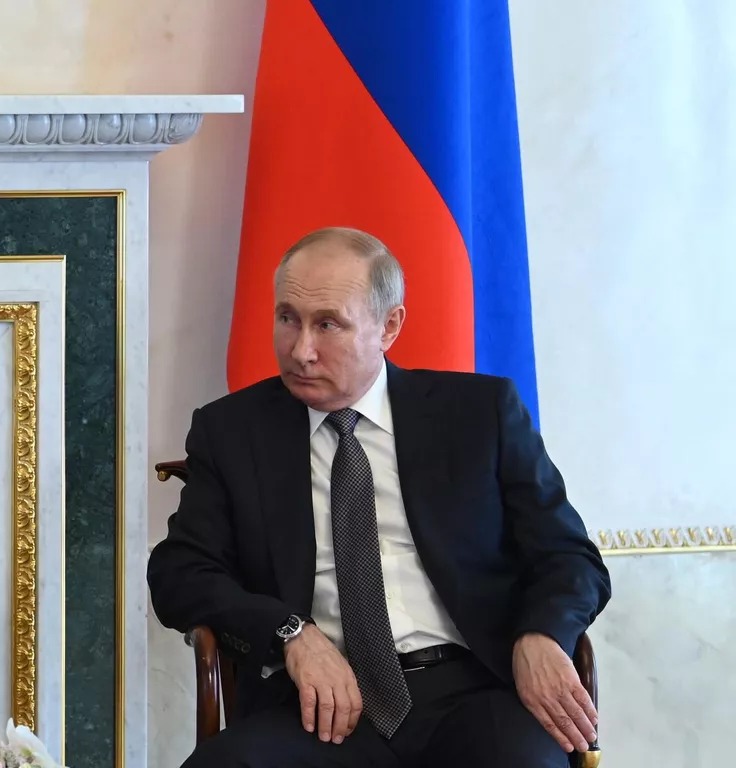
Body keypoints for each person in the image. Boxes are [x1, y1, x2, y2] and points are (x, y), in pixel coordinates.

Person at [147, 227, 610, 768]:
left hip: (473, 692)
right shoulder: (232, 431)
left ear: (389, 326)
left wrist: (541, 634)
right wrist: (290, 633)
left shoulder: (478, 415)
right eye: (287, 318)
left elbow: (569, 556)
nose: (300, 350)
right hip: (318, 706)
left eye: (328, 325)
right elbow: (180, 572)